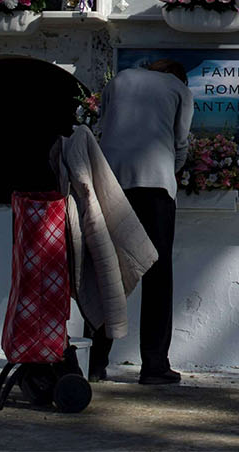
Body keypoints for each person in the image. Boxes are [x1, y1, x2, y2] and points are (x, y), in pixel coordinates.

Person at [87, 59, 195, 385]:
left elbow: (103, 128)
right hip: (156, 186)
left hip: (110, 183)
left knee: (107, 270)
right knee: (158, 275)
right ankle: (154, 365)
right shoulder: (180, 90)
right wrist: (171, 171)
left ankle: (94, 361)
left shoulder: (119, 80)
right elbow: (180, 142)